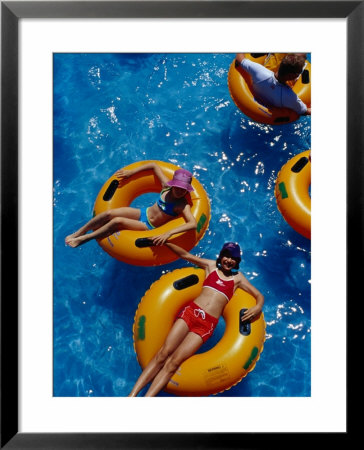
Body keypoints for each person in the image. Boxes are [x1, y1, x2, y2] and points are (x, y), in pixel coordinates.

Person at [128, 241, 264, 397]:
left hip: (206, 325)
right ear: (221, 256)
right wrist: (166, 242)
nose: (229, 260)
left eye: (233, 258)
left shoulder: (237, 278)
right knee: (163, 353)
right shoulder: (211, 266)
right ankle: (132, 395)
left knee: (173, 363)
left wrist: (258, 306)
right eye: (226, 256)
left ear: (237, 261)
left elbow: (259, 295)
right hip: (191, 312)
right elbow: (185, 255)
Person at [65, 162, 197, 248]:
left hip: (148, 226)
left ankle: (85, 238)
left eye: (183, 189)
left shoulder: (181, 204)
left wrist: (168, 233)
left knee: (117, 221)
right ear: (173, 184)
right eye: (178, 188)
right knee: (108, 213)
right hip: (143, 213)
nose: (180, 191)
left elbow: (192, 224)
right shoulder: (166, 187)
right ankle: (80, 231)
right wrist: (132, 172)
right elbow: (153, 166)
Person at [235, 53, 311, 116]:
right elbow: (305, 111)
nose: (299, 75)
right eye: (298, 73)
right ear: (291, 75)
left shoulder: (259, 71)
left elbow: (239, 59)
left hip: (253, 103)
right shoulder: (290, 97)